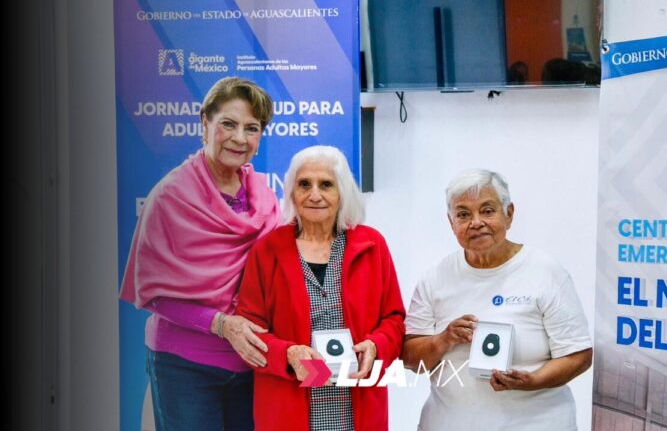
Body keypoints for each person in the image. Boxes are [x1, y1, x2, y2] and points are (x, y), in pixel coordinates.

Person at [119, 76, 279, 431]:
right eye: (228, 124)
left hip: (252, 364)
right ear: (204, 123)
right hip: (185, 366)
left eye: (252, 128)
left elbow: (276, 278)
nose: (240, 138)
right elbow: (154, 294)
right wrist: (222, 324)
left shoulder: (265, 197)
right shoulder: (169, 197)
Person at [402, 169, 592, 431]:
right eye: (463, 215)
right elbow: (411, 360)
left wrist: (533, 380)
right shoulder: (435, 277)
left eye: (487, 211)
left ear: (509, 213)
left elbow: (579, 355)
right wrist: (444, 339)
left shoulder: (544, 271)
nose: (476, 222)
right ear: (451, 222)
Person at [236, 145, 406, 431]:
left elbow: (394, 320)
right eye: (304, 184)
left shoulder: (372, 245)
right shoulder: (266, 252)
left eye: (326, 185)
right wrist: (287, 354)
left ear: (342, 192)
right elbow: (249, 333)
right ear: (292, 192)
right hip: (287, 411)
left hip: (359, 408)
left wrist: (377, 345)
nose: (314, 195)